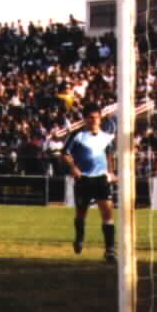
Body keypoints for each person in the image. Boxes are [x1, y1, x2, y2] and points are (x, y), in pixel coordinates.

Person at [62, 105, 117, 263]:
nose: (94, 120)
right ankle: (79, 237)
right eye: (91, 118)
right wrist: (73, 168)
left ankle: (110, 251)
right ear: (85, 119)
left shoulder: (106, 137)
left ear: (101, 119)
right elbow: (65, 154)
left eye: (97, 117)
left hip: (101, 179)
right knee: (81, 214)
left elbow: (109, 156)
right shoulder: (77, 136)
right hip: (83, 179)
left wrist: (111, 173)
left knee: (107, 213)